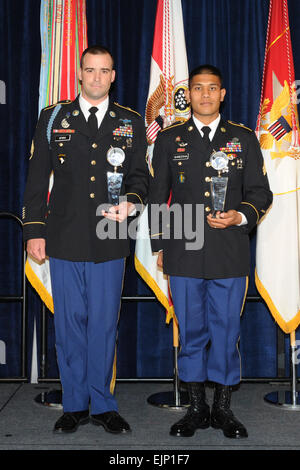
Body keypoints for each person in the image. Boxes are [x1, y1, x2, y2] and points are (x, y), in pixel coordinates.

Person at [23, 45, 148, 434]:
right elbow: (35, 178)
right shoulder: (53, 117)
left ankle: (103, 404)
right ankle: (74, 403)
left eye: (104, 70)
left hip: (110, 235)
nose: (96, 77)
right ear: (79, 73)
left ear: (114, 76)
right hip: (64, 236)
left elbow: (140, 178)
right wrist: (33, 231)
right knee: (70, 325)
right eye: (89, 70)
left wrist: (132, 202)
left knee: (103, 325)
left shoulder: (129, 120)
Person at [148, 64, 272, 439]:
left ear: (222, 94)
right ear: (190, 96)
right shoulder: (170, 139)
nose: (204, 94)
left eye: (211, 88)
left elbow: (260, 194)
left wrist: (239, 216)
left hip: (229, 251)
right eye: (198, 88)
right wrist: (161, 246)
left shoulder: (243, 138)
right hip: (184, 249)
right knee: (192, 331)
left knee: (226, 330)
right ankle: (196, 407)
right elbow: (158, 197)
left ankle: (223, 408)